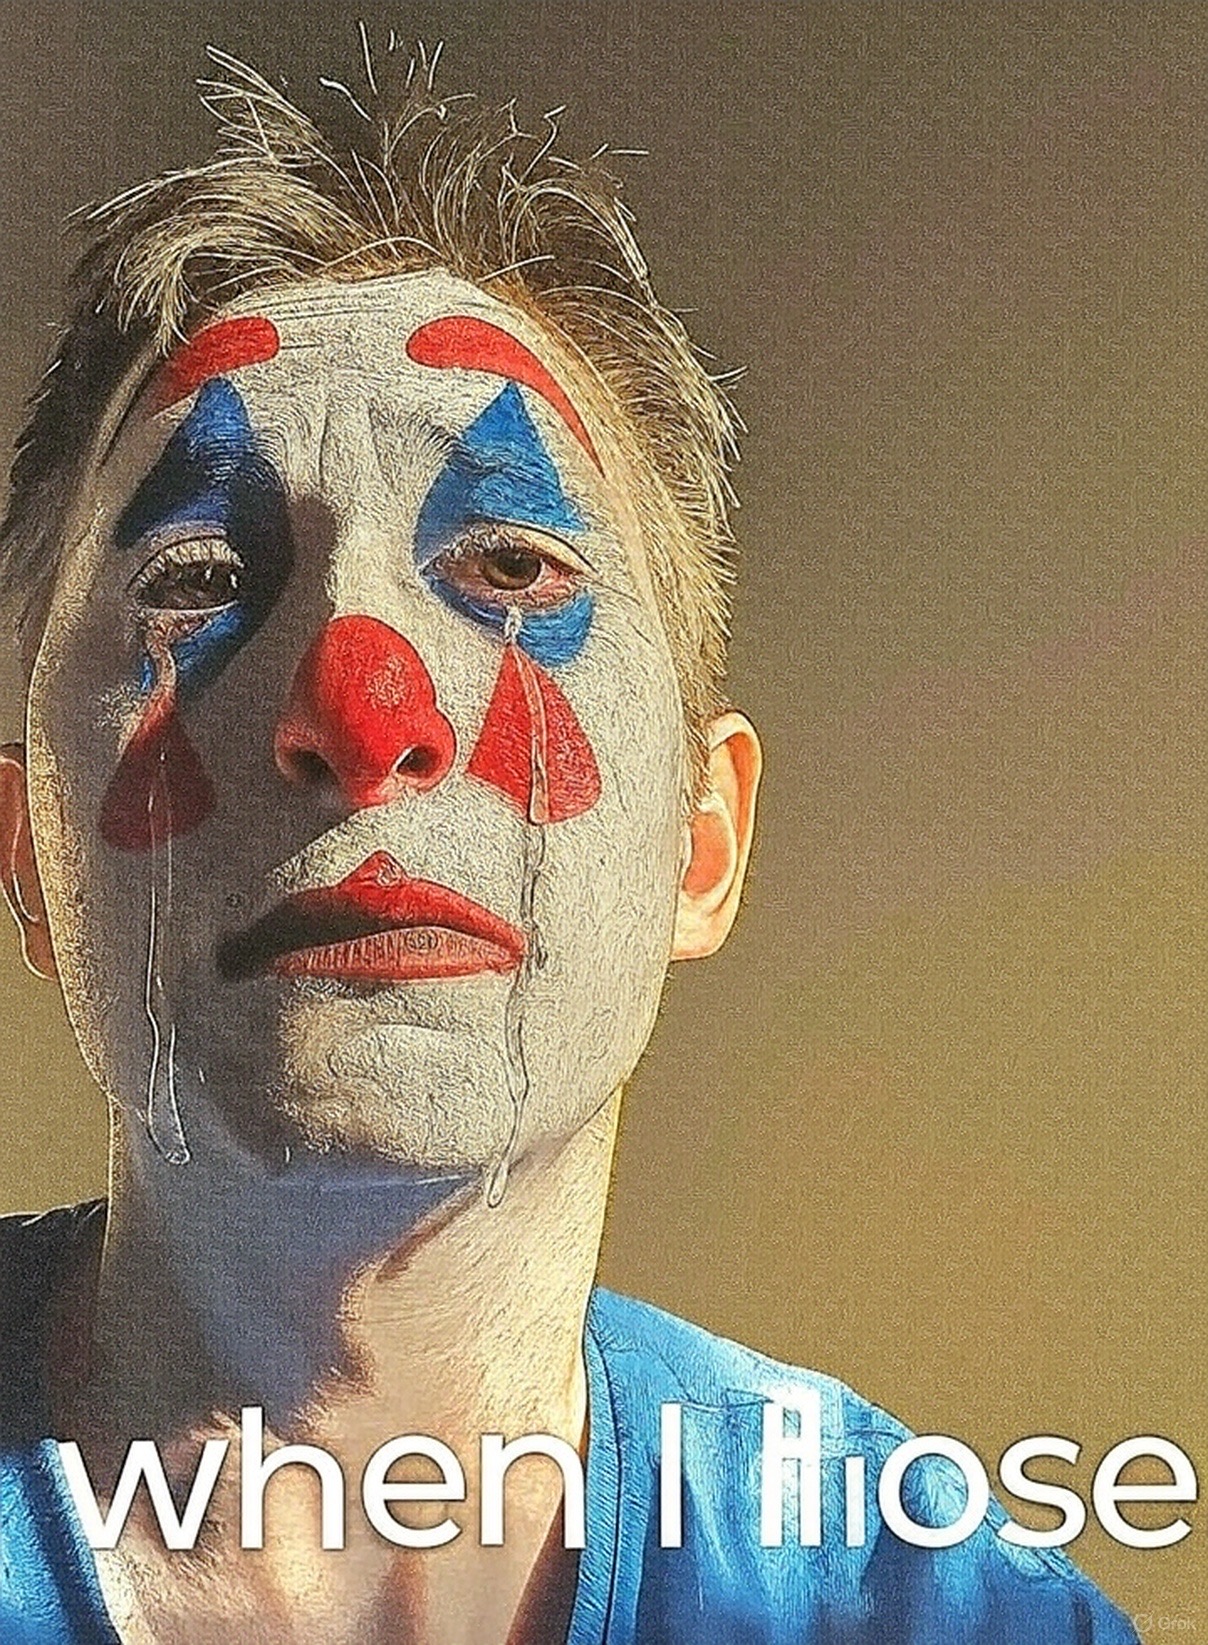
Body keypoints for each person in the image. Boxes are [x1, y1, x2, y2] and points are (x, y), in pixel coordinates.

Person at [0, 45, 1138, 1645]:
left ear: (701, 840)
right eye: (194, 578)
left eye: (515, 565)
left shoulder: (951, 1616)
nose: (365, 711)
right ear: (28, 855)